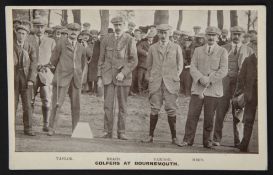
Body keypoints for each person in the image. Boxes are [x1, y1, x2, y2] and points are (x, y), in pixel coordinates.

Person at [181, 26, 228, 148]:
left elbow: (223, 70)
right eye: (209, 35)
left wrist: (210, 79)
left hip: (213, 89)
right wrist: (200, 78)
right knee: (192, 115)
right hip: (198, 88)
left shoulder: (222, 51)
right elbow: (192, 67)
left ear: (218, 37)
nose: (211, 37)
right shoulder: (197, 50)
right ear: (205, 36)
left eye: (214, 35)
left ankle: (207, 141)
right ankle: (187, 140)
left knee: (209, 116)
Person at [141, 24, 183, 146]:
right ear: (157, 34)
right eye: (161, 33)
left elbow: (180, 66)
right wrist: (152, 78)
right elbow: (148, 66)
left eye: (165, 33)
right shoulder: (153, 48)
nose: (163, 35)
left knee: (171, 109)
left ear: (170, 33)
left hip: (171, 83)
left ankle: (174, 138)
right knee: (154, 108)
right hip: (156, 83)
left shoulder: (176, 47)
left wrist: (174, 77)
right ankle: (150, 136)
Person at [97, 16, 138, 140]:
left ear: (124, 25)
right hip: (108, 76)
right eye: (116, 25)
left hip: (122, 78)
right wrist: (99, 76)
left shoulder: (130, 39)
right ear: (113, 26)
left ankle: (121, 132)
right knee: (107, 105)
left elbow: (134, 60)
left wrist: (123, 72)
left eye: (120, 25)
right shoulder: (105, 39)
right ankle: (107, 131)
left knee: (122, 106)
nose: (118, 27)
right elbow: (101, 59)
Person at [213, 26, 253, 147]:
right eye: (234, 34)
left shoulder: (249, 50)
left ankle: (238, 141)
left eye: (238, 34)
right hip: (224, 84)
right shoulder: (222, 48)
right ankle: (216, 139)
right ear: (231, 34)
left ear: (243, 36)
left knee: (238, 112)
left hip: (239, 86)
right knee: (220, 111)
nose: (236, 36)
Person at [47, 23, 86, 136]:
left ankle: (76, 130)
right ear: (67, 31)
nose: (73, 32)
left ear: (79, 32)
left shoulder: (82, 47)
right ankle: (51, 128)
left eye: (76, 30)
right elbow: (53, 61)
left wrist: (78, 75)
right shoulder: (60, 43)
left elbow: (82, 65)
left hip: (76, 80)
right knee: (57, 104)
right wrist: (59, 74)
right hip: (61, 78)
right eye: (71, 29)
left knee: (76, 106)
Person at [28, 18, 56, 132]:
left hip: (46, 73)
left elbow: (54, 59)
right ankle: (29, 125)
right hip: (31, 74)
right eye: (37, 26)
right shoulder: (28, 39)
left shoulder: (51, 41)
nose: (39, 29)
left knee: (46, 99)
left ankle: (46, 124)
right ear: (33, 27)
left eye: (42, 27)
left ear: (45, 28)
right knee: (30, 99)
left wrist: (48, 66)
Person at [14, 24, 38, 136]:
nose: (21, 36)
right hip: (13, 77)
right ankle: (9, 127)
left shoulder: (30, 47)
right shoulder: (10, 45)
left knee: (27, 104)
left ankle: (28, 128)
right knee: (12, 103)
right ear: (15, 33)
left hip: (26, 78)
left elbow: (34, 64)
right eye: (19, 33)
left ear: (27, 35)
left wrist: (31, 80)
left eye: (23, 34)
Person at [234, 52, 257, 152]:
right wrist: (240, 93)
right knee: (248, 119)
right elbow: (241, 78)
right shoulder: (248, 60)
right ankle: (244, 145)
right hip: (251, 95)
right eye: (255, 44)